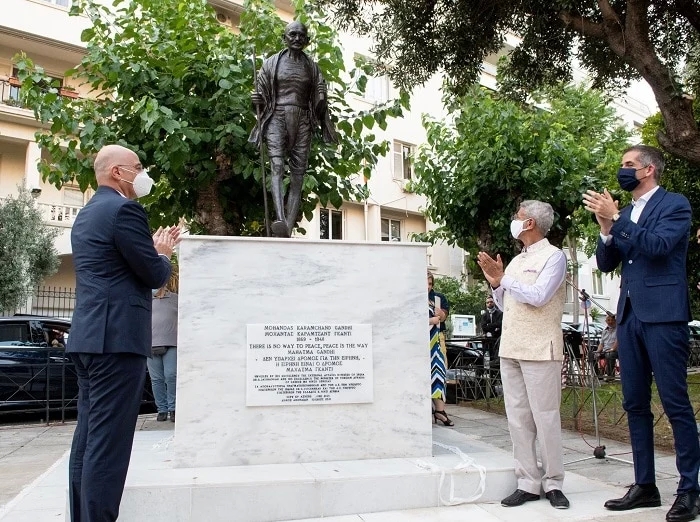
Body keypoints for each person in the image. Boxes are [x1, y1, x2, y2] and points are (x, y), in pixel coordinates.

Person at [583, 144, 700, 521]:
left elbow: (659, 247)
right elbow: (607, 261)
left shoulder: (675, 205)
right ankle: (645, 485)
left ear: (648, 170)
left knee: (674, 401)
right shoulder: (628, 213)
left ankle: (689, 490)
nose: (623, 170)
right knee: (634, 402)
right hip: (629, 317)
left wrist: (616, 217)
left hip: (665, 316)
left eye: (628, 165)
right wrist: (606, 229)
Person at [67, 144, 180, 522]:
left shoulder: (87, 214)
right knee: (108, 445)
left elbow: (114, 266)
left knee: (87, 439)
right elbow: (154, 274)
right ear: (118, 172)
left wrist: (147, 252)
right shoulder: (125, 210)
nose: (142, 173)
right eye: (137, 167)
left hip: (87, 338)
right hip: (116, 341)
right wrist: (162, 252)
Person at [477, 200, 569, 510]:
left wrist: (504, 280)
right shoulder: (516, 261)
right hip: (512, 347)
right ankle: (528, 482)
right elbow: (507, 304)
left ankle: (553, 482)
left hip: (542, 347)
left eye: (518, 217)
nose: (514, 221)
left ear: (529, 223)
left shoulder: (555, 257)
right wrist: (496, 284)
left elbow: (540, 296)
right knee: (518, 418)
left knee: (546, 418)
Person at [249, 20, 337, 238]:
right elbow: (260, 99)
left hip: (303, 119)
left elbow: (318, 102)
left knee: (298, 174)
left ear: (307, 40)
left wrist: (321, 98)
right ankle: (279, 217)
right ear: (284, 38)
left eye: (301, 35)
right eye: (292, 34)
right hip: (276, 115)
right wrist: (255, 100)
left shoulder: (312, 67)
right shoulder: (271, 64)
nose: (297, 38)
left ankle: (287, 226)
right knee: (277, 166)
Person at [149, 270, 179, 422]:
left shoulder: (175, 299)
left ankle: (173, 408)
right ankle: (162, 409)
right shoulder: (147, 300)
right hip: (150, 344)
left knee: (171, 375)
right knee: (156, 379)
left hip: (171, 343)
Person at [428, 272, 452, 426]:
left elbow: (443, 317)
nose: (428, 286)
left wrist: (440, 314)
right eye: (425, 283)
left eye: (430, 283)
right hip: (419, 340)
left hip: (435, 338)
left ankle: (439, 411)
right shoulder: (411, 296)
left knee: (439, 372)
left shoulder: (437, 298)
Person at [595, 314, 618, 382]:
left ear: (615, 321)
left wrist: (612, 349)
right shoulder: (604, 331)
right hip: (605, 350)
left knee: (609, 354)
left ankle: (610, 376)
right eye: (608, 320)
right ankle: (598, 375)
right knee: (593, 355)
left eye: (612, 320)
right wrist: (598, 351)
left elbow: (618, 341)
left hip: (615, 351)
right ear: (606, 321)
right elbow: (601, 343)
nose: (610, 322)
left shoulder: (618, 330)